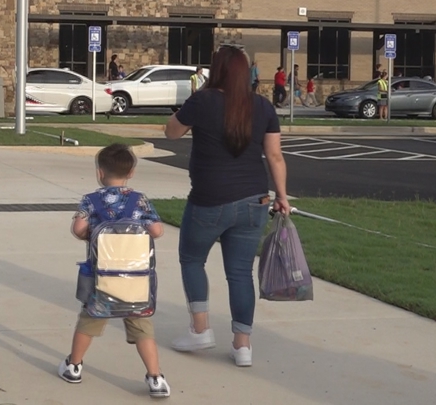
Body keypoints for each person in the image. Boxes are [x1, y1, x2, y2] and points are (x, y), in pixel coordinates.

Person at [163, 45, 290, 368]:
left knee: (192, 259)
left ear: (215, 70)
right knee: (239, 273)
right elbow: (274, 156)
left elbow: (171, 132)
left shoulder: (202, 101)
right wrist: (283, 196)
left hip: (209, 200)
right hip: (255, 200)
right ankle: (242, 345)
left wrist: (191, 106)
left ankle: (201, 329)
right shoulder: (262, 106)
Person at [57, 143, 171, 398]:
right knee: (142, 325)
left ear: (99, 172)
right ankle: (156, 378)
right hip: (135, 281)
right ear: (131, 172)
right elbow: (157, 231)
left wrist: (90, 234)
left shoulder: (91, 200)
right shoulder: (139, 200)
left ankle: (74, 366)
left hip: (102, 279)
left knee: (89, 320)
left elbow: (78, 229)